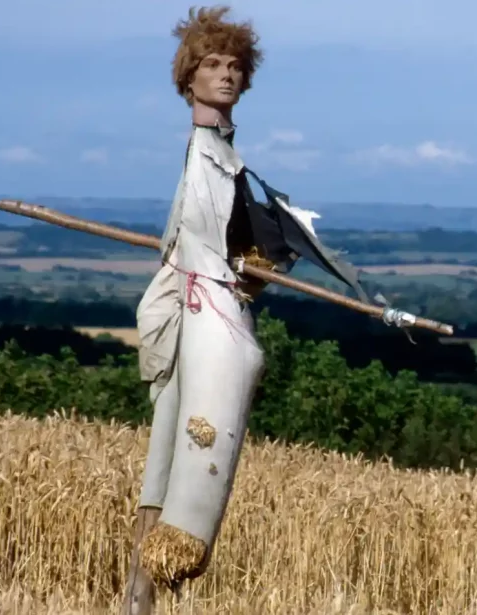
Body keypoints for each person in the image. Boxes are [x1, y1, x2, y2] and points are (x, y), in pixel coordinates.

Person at [121, 6, 372, 614]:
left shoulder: (225, 159)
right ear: (190, 78)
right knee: (175, 446)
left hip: (204, 302)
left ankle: (143, 593)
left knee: (177, 444)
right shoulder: (205, 155)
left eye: (235, 66)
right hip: (197, 310)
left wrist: (249, 262)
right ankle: (143, 586)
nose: (226, 75)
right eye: (213, 65)